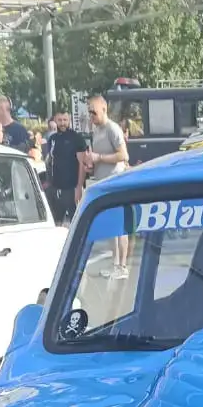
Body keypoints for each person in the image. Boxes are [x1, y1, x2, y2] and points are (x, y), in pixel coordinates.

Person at [78, 92, 131, 278]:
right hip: (103, 182)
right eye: (89, 112)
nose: (91, 116)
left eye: (93, 112)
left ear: (104, 109)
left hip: (116, 182)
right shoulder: (97, 131)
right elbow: (98, 158)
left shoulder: (112, 128)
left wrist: (99, 157)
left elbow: (124, 155)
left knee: (120, 225)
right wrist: (90, 163)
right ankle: (115, 264)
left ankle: (122, 266)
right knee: (110, 226)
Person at [44, 109, 87, 225]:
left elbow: (82, 164)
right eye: (60, 120)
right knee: (56, 224)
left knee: (76, 223)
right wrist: (48, 182)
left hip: (71, 189)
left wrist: (79, 187)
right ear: (55, 120)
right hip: (55, 189)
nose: (62, 123)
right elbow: (50, 161)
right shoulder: (52, 139)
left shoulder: (77, 138)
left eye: (65, 120)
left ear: (69, 120)